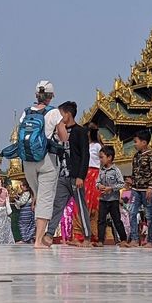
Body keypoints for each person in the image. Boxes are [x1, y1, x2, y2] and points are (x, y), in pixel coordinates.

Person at [19, 81, 67, 249]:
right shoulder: (54, 112)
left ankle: (35, 201)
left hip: (28, 161)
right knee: (46, 200)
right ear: (51, 96)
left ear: (36, 96)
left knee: (38, 195)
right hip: (47, 158)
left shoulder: (26, 113)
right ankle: (38, 240)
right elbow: (63, 137)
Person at [44, 101, 91, 248]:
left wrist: (80, 176)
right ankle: (49, 234)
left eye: (60, 114)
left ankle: (87, 237)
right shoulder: (59, 132)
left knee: (81, 207)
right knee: (57, 205)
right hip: (62, 176)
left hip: (75, 176)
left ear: (68, 114)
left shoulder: (80, 132)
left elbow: (85, 155)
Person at [71, 124, 102, 246]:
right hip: (83, 174)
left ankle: (93, 236)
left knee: (92, 204)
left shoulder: (97, 146)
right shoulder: (83, 145)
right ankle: (77, 235)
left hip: (94, 175)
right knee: (79, 204)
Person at [130, 130, 152, 247]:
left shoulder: (151, 156)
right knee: (132, 213)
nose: (134, 144)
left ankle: (150, 240)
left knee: (149, 215)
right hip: (135, 189)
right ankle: (135, 239)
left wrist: (151, 187)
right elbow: (134, 173)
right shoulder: (136, 156)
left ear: (144, 142)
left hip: (146, 189)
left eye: (136, 142)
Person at [96, 146, 127, 247]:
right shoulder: (101, 170)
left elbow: (122, 183)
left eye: (102, 157)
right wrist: (99, 185)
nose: (100, 160)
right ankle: (100, 240)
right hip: (103, 199)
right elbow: (97, 182)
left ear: (109, 157)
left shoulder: (116, 170)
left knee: (117, 220)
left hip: (113, 200)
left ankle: (123, 239)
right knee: (101, 220)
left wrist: (111, 188)